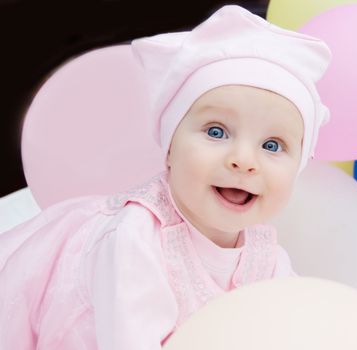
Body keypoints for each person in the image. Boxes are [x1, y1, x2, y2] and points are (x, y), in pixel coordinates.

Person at [0, 4, 331, 349]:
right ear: (170, 148)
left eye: (273, 145)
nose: (244, 161)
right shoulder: (135, 239)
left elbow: (289, 323)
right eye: (217, 132)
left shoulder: (266, 255)